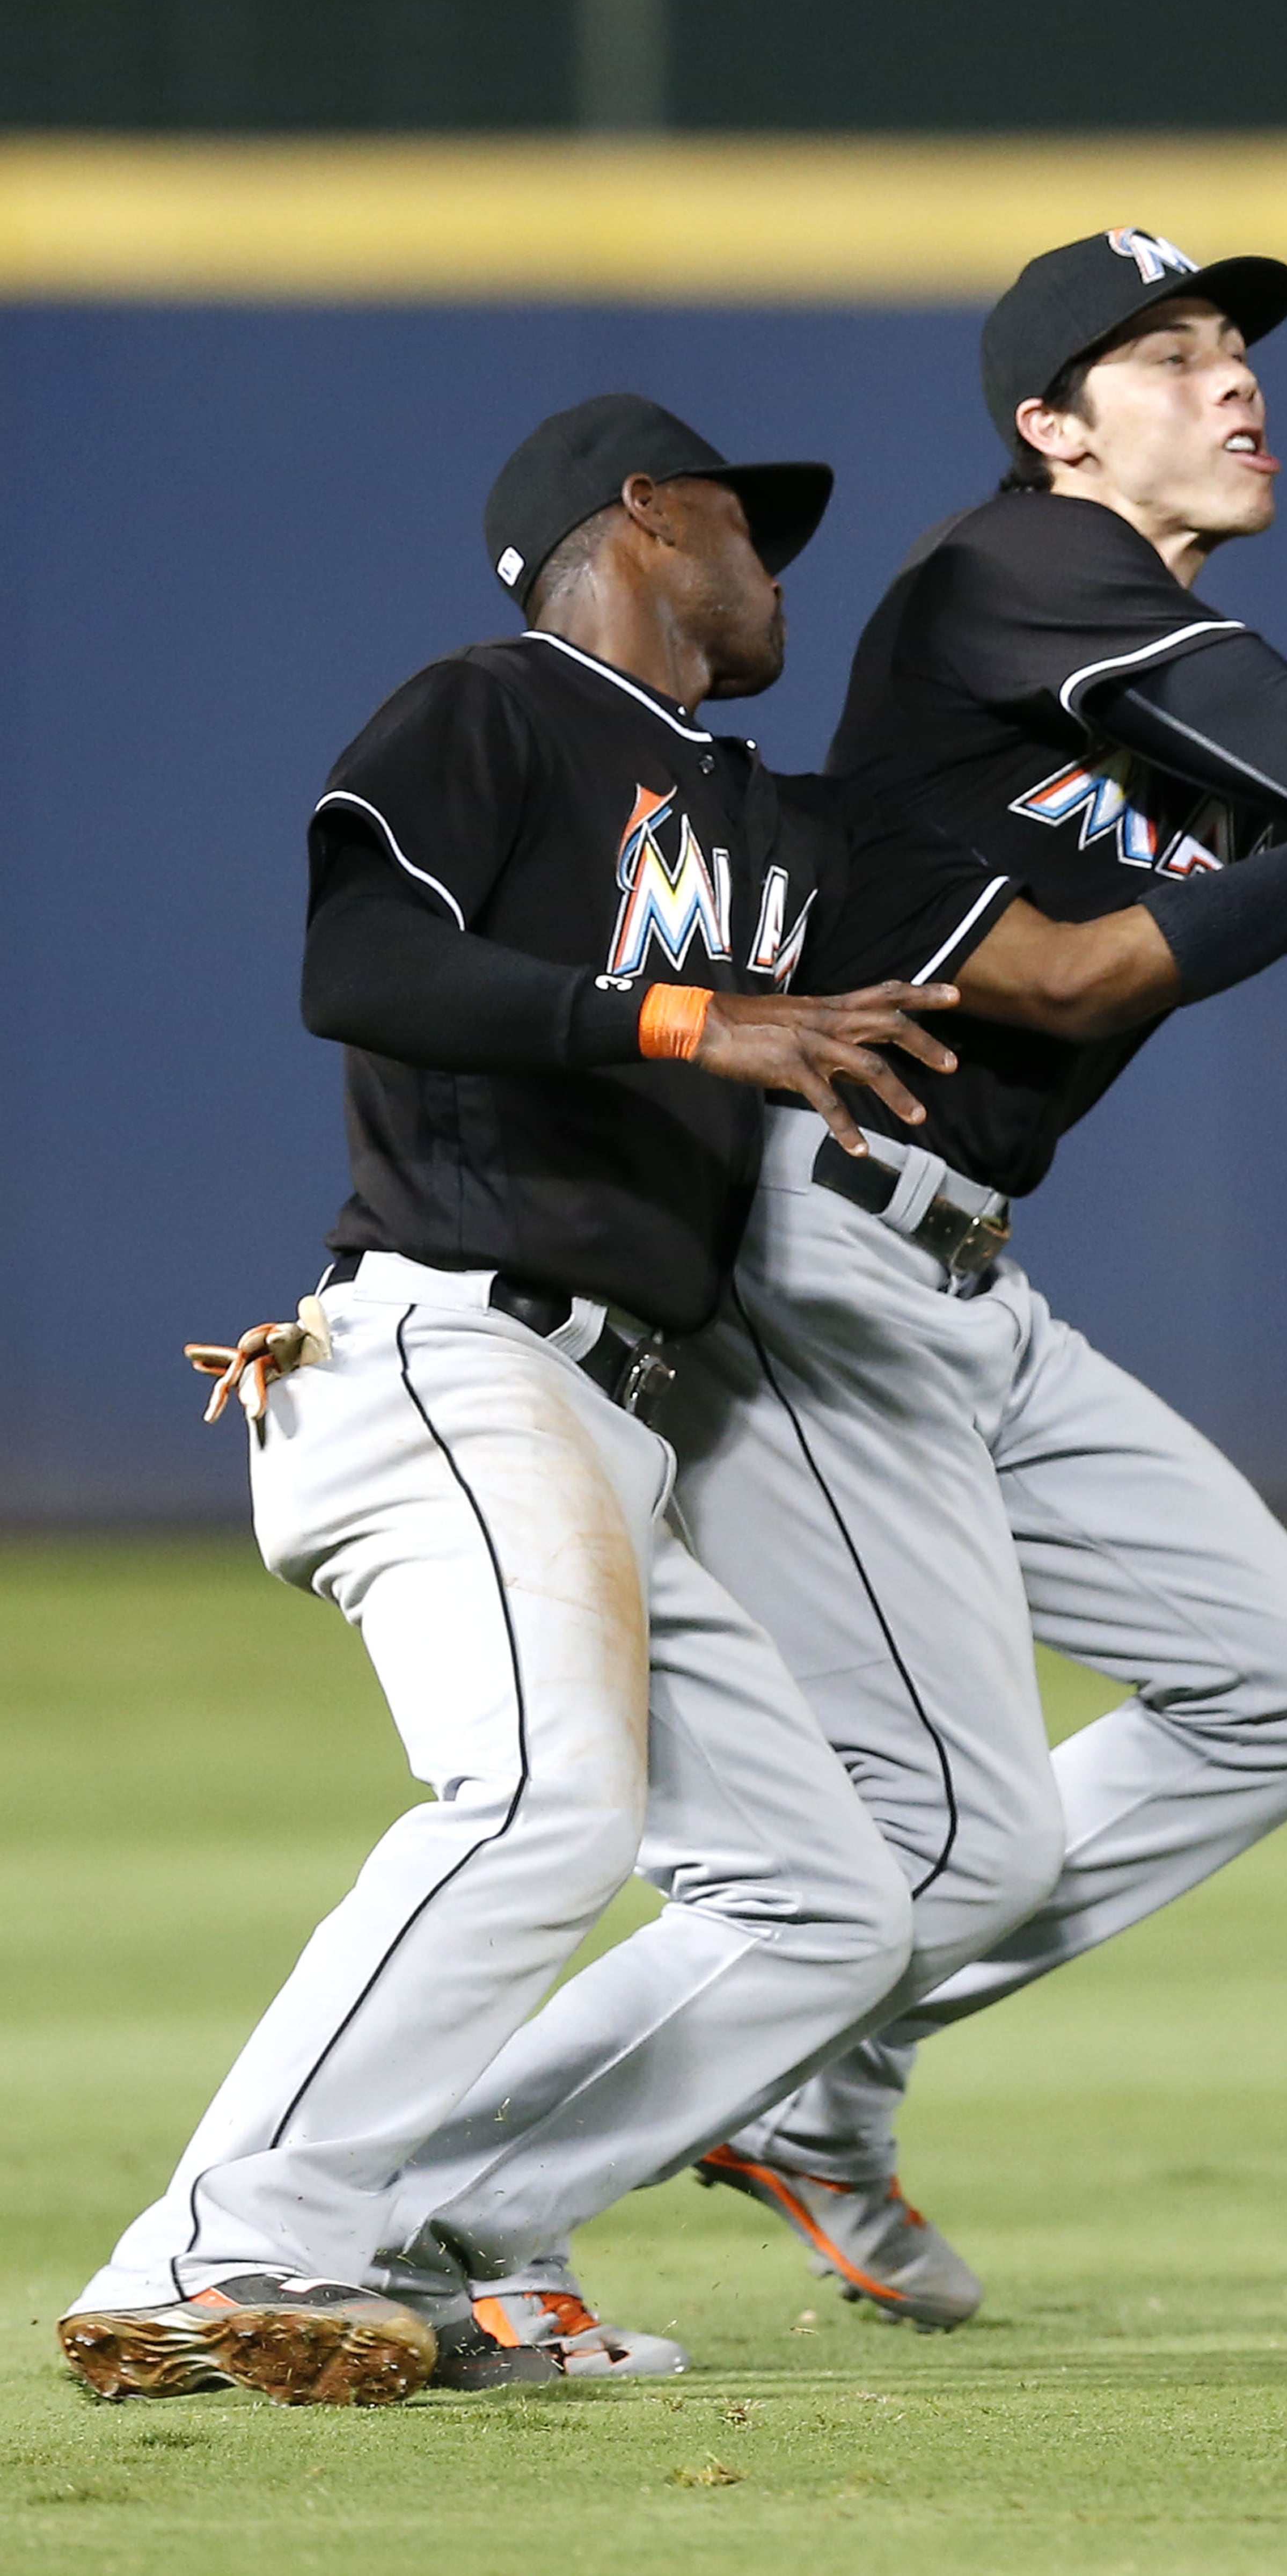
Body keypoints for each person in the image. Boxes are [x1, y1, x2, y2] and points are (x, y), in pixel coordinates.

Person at [415, 233, 1287, 2352]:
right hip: (809, 1249)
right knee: (946, 1836)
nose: (1231, 380)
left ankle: (821, 2085)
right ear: (1054, 427)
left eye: (1239, 350)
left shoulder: (1184, 690)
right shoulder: (1008, 577)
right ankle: (459, 2193)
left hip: (960, 1277)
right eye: (1165, 354)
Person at [57, 394, 1021, 2406]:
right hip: (445, 1348)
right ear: (645, 515)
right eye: (752, 524)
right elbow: (364, 966)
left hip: (616, 1423)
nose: (778, 567)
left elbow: (1078, 945)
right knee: (540, 1802)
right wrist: (682, 1017)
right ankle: (214, 2256)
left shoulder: (776, 829)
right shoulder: (494, 709)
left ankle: (437, 2238)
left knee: (830, 1909)